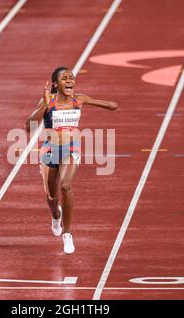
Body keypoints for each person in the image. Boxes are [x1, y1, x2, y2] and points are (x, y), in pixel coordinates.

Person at [26, 67, 118, 254]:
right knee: (52, 197)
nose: (69, 80)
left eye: (72, 78)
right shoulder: (48, 101)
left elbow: (111, 105)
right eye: (64, 78)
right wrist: (44, 104)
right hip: (50, 149)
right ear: (55, 84)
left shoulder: (79, 99)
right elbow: (29, 127)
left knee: (66, 186)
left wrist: (106, 104)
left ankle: (67, 234)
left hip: (71, 148)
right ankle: (55, 216)